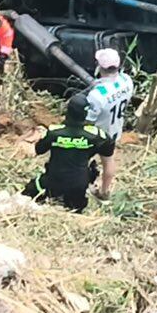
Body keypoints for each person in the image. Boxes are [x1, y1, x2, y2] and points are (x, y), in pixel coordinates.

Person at [23, 93, 115, 212]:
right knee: (76, 208)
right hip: (79, 187)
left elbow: (37, 150)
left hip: (52, 183)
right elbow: (109, 164)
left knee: (26, 193)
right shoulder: (97, 136)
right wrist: (103, 191)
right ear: (86, 113)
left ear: (68, 111)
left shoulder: (54, 132)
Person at [84, 48, 134, 198]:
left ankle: (84, 186)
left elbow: (89, 120)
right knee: (108, 160)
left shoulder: (97, 94)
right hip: (114, 129)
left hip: (97, 133)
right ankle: (105, 191)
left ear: (99, 66)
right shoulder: (127, 81)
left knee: (82, 160)